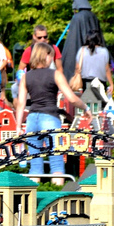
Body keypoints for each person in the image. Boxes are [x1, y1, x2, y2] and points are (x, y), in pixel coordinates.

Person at [15, 43, 78, 182]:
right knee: (56, 161)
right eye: (52, 56)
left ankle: (32, 200)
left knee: (35, 164)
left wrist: (18, 127)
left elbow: (21, 103)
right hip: (50, 117)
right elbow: (72, 98)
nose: (53, 60)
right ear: (46, 56)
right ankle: (57, 197)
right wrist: (86, 108)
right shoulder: (55, 74)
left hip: (32, 119)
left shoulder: (26, 77)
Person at [72, 30, 114, 127]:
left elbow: (77, 68)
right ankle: (99, 127)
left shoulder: (82, 50)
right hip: (100, 82)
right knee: (99, 107)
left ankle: (86, 125)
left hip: (85, 81)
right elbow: (107, 69)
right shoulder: (104, 51)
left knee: (86, 105)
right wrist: (111, 83)